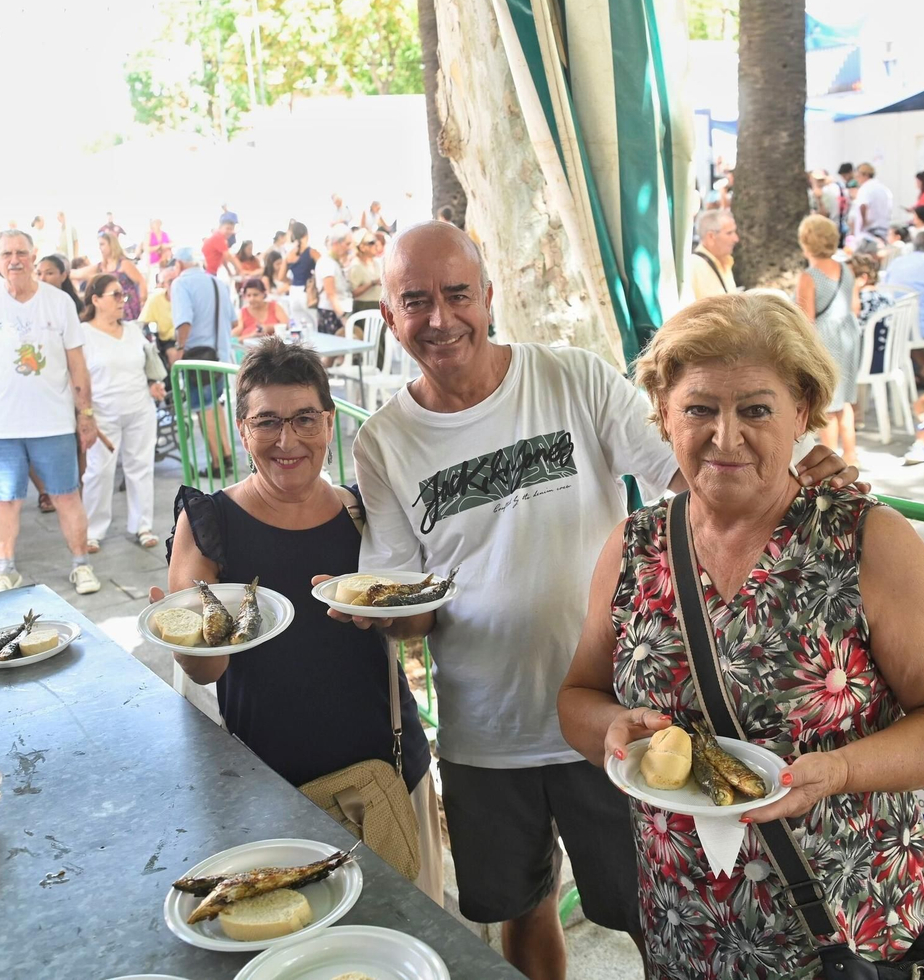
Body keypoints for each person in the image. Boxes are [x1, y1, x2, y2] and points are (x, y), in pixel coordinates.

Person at [348, 223, 857, 980]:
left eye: (457, 294)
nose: (440, 318)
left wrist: (794, 469)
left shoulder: (572, 378)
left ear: (488, 296)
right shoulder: (383, 441)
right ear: (389, 315)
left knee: (654, 915)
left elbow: (692, 470)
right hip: (486, 732)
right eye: (415, 301)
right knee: (522, 914)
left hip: (619, 720)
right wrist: (382, 616)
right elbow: (405, 601)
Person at [557, 292, 924, 980]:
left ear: (802, 411)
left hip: (849, 934)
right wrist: (612, 730)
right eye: (699, 408)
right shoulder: (635, 546)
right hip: (686, 928)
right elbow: (578, 697)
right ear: (664, 413)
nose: (725, 436)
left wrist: (841, 771)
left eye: (756, 410)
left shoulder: (863, 539)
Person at [160, 338, 444, 904]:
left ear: (329, 422)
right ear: (242, 430)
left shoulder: (365, 512)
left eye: (304, 419)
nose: (287, 441)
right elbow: (205, 669)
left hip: (388, 771)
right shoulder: (209, 521)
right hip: (271, 785)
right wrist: (186, 633)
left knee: (411, 928)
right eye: (267, 421)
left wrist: (390, 617)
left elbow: (417, 627)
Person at [0, 230, 102, 594]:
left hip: (53, 422)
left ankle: (82, 565)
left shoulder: (59, 302)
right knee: (4, 500)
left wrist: (86, 414)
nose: (15, 260)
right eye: (7, 254)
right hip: (1, 427)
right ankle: (5, 568)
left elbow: (77, 363)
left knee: (66, 495)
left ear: (33, 255)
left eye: (21, 253)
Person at [77, 274, 165, 552]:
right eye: (115, 295)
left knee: (140, 467)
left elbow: (147, 364)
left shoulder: (132, 330)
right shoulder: (83, 334)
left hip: (139, 408)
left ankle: (142, 525)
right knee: (98, 471)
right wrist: (84, 414)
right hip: (102, 412)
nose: (122, 300)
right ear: (95, 299)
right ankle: (92, 530)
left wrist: (154, 384)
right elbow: (77, 377)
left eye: (123, 295)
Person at [796, 215, 861, 466]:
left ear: (806, 242)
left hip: (825, 341)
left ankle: (830, 458)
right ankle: (851, 454)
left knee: (827, 404)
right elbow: (855, 306)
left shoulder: (809, 276)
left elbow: (807, 320)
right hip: (848, 337)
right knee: (844, 401)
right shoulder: (846, 270)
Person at [172, 242, 237, 477]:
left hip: (197, 358)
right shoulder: (216, 282)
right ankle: (227, 454)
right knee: (215, 404)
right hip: (221, 355)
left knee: (203, 408)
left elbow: (184, 321)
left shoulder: (181, 284)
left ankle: (218, 463)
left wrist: (179, 348)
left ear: (179, 264)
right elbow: (234, 321)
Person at [685, 208, 738, 300]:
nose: (736, 239)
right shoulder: (693, 266)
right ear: (711, 236)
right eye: (729, 233)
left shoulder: (726, 261)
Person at [93, 229, 144, 321]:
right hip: (112, 306)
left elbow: (140, 281)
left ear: (111, 244)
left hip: (129, 305)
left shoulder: (124, 263)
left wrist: (143, 301)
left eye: (102, 244)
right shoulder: (102, 266)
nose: (100, 248)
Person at [315, 224, 354, 335]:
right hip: (332, 313)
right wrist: (342, 317)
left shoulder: (334, 261)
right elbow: (330, 294)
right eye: (347, 244)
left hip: (338, 311)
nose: (349, 248)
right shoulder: (327, 262)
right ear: (336, 243)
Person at [285, 220, 317, 325]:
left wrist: (291, 281)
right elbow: (323, 268)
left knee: (298, 325)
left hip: (294, 292)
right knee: (314, 323)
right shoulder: (311, 252)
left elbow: (280, 276)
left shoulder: (289, 254)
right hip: (307, 291)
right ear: (306, 234)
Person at [347, 229, 384, 314]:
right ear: (362, 247)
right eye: (371, 242)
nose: (376, 245)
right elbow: (354, 293)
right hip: (363, 307)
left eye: (376, 241)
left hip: (379, 306)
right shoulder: (356, 265)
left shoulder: (377, 262)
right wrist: (372, 283)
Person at [854, 162, 893, 238]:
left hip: (870, 231)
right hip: (884, 228)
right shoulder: (884, 189)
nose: (857, 179)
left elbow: (863, 206)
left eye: (858, 176)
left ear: (865, 175)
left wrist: (863, 224)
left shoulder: (865, 188)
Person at [203, 211, 241, 279]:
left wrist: (229, 271)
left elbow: (223, 258)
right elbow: (229, 256)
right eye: (227, 228)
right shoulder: (218, 237)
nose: (230, 232)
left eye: (232, 229)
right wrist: (240, 269)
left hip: (211, 272)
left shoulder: (221, 239)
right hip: (208, 273)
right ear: (220, 227)